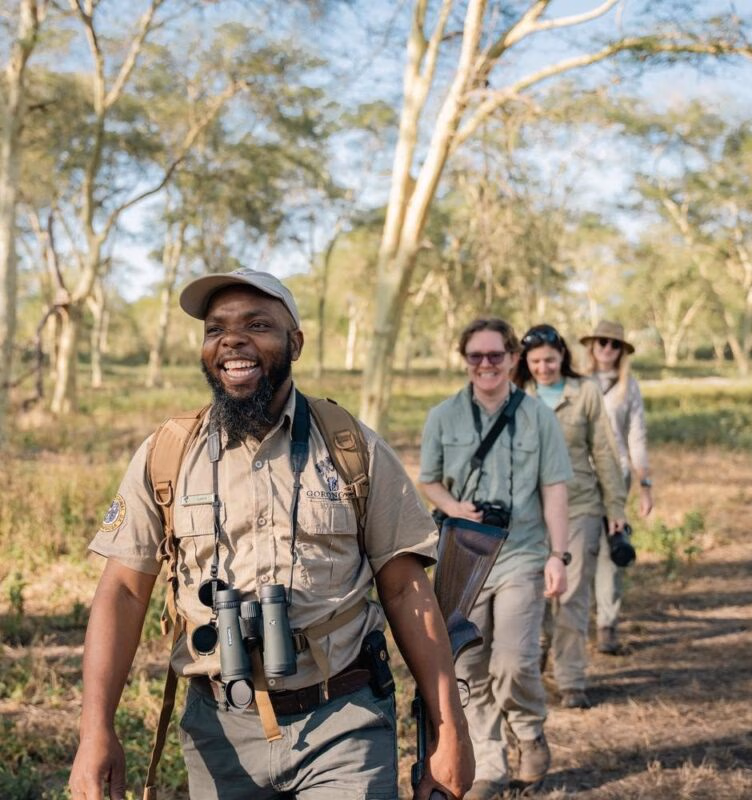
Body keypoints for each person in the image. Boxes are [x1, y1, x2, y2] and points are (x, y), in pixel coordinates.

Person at [68, 268, 474, 800]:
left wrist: (449, 728)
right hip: (219, 731)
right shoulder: (167, 454)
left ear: (295, 342)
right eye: (216, 330)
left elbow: (404, 590)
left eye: (257, 324)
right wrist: (94, 729)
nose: (233, 340)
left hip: (344, 719)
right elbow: (122, 592)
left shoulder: (353, 447)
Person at [418, 318, 572, 800]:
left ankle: (528, 731)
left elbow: (555, 487)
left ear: (511, 358)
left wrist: (558, 555)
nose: (486, 365)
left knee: (513, 660)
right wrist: (453, 507)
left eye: (495, 356)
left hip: (520, 552)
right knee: (467, 666)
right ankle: (488, 761)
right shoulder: (443, 416)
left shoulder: (537, 416)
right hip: (462, 555)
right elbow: (429, 479)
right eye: (475, 357)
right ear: (465, 361)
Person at [513, 323, 627, 710]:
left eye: (550, 359)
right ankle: (535, 663)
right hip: (527, 513)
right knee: (533, 594)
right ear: (526, 364)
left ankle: (572, 679)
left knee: (573, 596)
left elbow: (606, 452)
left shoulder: (586, 393)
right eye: (536, 362)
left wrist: (616, 508)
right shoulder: (515, 396)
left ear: (563, 355)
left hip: (579, 506)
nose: (544, 367)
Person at [580, 319, 654, 655]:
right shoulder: (578, 383)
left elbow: (637, 436)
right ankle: (572, 624)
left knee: (613, 549)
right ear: (592, 346)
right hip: (580, 476)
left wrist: (645, 484)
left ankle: (607, 623)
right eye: (602, 343)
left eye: (614, 345)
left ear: (622, 351)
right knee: (578, 550)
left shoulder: (629, 387)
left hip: (618, 475)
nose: (607, 349)